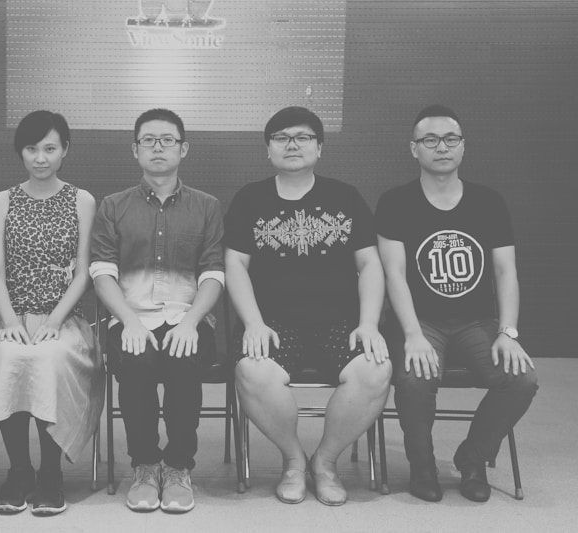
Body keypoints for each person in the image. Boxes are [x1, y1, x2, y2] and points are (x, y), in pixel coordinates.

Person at [224, 106, 392, 506]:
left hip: (340, 321)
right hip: (275, 323)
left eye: (302, 137)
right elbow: (234, 264)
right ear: (268, 150)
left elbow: (370, 263)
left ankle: (326, 463)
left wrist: (368, 323)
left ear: (319, 146)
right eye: (281, 138)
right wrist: (253, 322)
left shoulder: (345, 196)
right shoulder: (250, 199)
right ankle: (294, 460)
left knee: (375, 369)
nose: (292, 144)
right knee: (252, 370)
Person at [375, 104, 538, 503]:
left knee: (522, 380)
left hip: (477, 321)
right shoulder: (395, 202)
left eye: (450, 139)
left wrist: (508, 332)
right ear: (414, 149)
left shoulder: (488, 201)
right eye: (430, 140)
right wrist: (412, 335)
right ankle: (423, 464)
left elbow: (505, 273)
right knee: (414, 380)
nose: (441, 147)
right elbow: (393, 274)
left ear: (463, 147)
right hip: (419, 322)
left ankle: (473, 457)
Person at [0, 110, 104, 516]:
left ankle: (50, 474)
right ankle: (20, 470)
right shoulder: (2, 201)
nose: (40, 157)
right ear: (20, 152)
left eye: (50, 148)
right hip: (11, 314)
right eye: (31, 148)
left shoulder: (81, 200)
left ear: (64, 151)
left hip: (66, 318)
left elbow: (83, 272)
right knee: (7, 356)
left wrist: (55, 321)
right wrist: (9, 322)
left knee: (49, 358)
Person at [90, 108, 224, 513]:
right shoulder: (113, 206)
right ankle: (146, 466)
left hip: (189, 316)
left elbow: (214, 274)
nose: (158, 147)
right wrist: (128, 319)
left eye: (167, 140)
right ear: (135, 150)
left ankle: (180, 466)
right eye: (148, 140)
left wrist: (192, 322)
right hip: (131, 318)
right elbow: (101, 272)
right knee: (135, 362)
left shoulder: (207, 206)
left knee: (185, 363)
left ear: (183, 149)